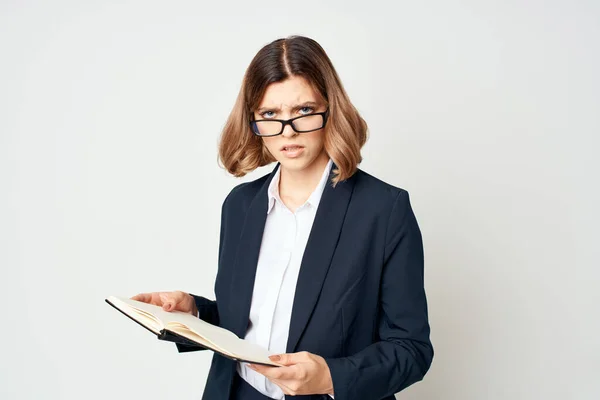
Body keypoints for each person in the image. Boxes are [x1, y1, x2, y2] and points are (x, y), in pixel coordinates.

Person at [132, 35, 434, 400]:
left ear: (330, 109)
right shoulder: (240, 205)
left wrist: (331, 376)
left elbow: (411, 349)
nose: (287, 131)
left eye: (304, 110)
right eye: (270, 115)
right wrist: (193, 312)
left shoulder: (383, 209)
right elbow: (250, 325)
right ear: (253, 119)